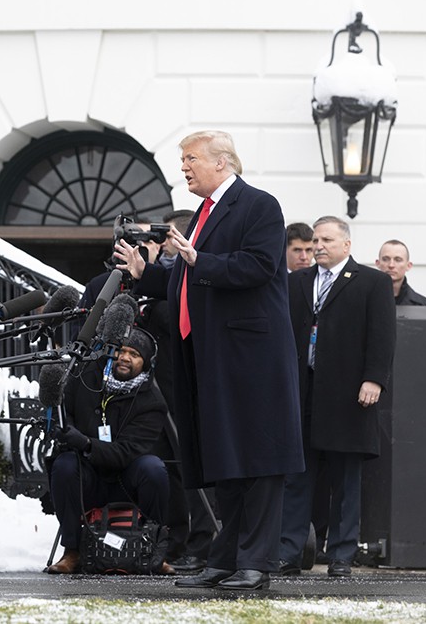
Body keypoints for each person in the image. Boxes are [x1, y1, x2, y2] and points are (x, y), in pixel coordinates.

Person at [114, 130, 303, 591]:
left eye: (190, 158)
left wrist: (198, 259)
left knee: (258, 459)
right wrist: (147, 274)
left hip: (251, 357)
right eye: (182, 158)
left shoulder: (259, 205)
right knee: (227, 459)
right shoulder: (204, 212)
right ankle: (226, 560)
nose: (183, 166)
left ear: (222, 162)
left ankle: (256, 561)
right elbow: (186, 278)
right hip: (213, 357)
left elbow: (258, 266)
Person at [280, 216, 396, 578]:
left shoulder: (372, 281)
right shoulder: (297, 282)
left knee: (346, 480)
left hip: (348, 396)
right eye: (315, 240)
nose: (318, 246)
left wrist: (373, 379)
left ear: (346, 245)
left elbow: (382, 335)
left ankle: (341, 556)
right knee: (297, 477)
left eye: (326, 239)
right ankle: (290, 552)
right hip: (304, 391)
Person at [45, 328, 170, 575]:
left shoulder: (153, 403)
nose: (125, 357)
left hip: (126, 479)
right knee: (65, 464)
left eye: (134, 354)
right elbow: (64, 411)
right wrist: (63, 431)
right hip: (87, 475)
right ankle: (72, 552)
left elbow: (125, 452)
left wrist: (86, 443)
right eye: (121, 351)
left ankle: (152, 551)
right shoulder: (84, 377)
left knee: (154, 469)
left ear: (145, 364)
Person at [375, 240, 426, 306]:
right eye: (385, 259)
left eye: (398, 260)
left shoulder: (423, 305)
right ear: (378, 263)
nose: (391, 265)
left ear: (408, 266)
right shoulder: (363, 302)